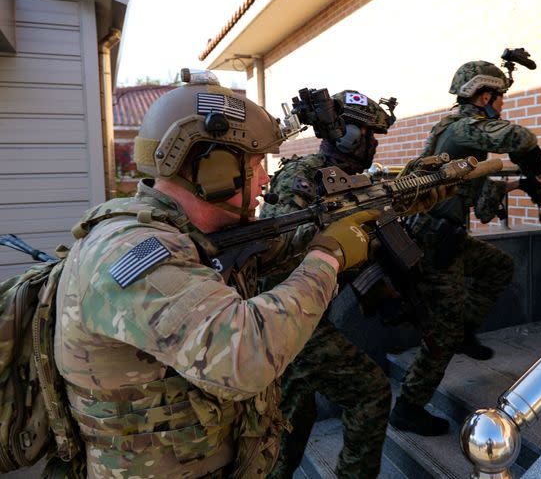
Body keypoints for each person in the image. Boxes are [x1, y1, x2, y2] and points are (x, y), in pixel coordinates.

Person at [54, 71, 378, 478]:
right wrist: (328, 256)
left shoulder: (189, 233)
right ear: (215, 169)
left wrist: (350, 219)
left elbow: (268, 250)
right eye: (257, 164)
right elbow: (245, 354)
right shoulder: (131, 250)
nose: (264, 179)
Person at [389, 60, 541, 436]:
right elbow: (518, 138)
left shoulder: (464, 142)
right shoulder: (462, 128)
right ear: (484, 96)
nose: (503, 105)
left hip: (449, 237)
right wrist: (531, 159)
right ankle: (409, 406)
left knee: (498, 266)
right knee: (441, 334)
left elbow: (482, 206)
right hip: (432, 241)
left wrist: (521, 186)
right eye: (500, 98)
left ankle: (465, 330)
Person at [261, 90, 399, 479]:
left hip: (301, 317)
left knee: (293, 417)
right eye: (368, 134)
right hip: (285, 316)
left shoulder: (350, 180)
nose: (373, 143)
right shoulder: (302, 176)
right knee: (370, 393)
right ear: (346, 135)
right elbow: (278, 256)